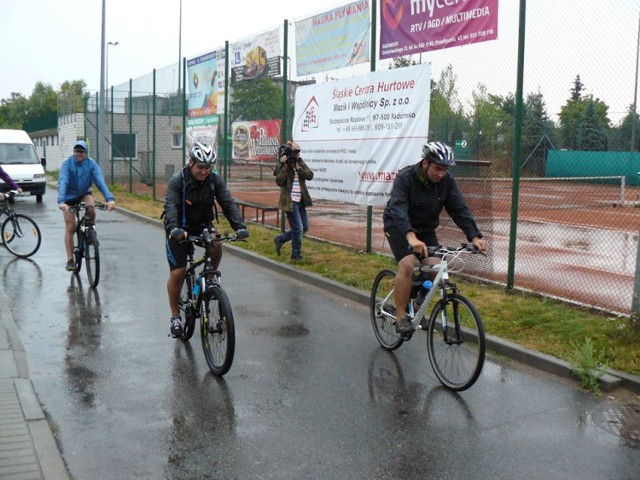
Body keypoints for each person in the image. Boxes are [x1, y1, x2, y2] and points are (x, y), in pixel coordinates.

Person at [382, 141, 488, 335]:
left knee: (435, 268)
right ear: (425, 163)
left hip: (425, 229)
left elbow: (459, 208)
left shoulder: (446, 182)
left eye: (445, 169)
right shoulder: (406, 177)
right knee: (407, 264)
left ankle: (415, 302)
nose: (441, 174)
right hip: (398, 226)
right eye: (437, 169)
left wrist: (474, 236)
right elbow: (398, 207)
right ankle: (400, 317)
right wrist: (411, 237)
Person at [163, 142, 249, 338]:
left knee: (217, 243)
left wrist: (240, 226)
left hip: (202, 224)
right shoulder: (178, 180)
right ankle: (175, 316)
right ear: (191, 162)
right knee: (178, 272)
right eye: (200, 167)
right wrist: (174, 228)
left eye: (208, 167)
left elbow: (227, 202)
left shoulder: (214, 180)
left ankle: (208, 280)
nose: (204, 171)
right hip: (179, 228)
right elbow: (170, 207)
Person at [57, 140, 115, 271]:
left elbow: (100, 181)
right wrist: (62, 202)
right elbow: (63, 182)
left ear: (86, 153)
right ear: (74, 152)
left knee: (91, 208)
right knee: (71, 226)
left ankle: (91, 232)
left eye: (82, 152)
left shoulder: (91, 164)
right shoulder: (67, 164)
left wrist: (109, 199)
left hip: (84, 193)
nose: (79, 154)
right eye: (77, 151)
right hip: (68, 197)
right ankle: (70, 260)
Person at [273, 141, 314, 260]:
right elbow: (279, 182)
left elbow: (310, 175)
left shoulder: (299, 163)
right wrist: (284, 166)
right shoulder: (284, 164)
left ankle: (280, 239)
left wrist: (299, 169)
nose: (297, 153)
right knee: (298, 228)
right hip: (290, 202)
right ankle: (296, 255)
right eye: (295, 151)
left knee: (304, 228)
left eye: (298, 151)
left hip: (301, 201)